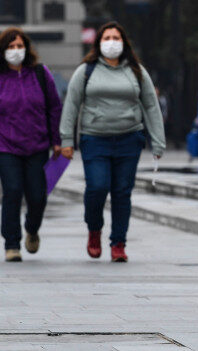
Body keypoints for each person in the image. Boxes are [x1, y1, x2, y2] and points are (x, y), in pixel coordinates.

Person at [59, 21, 165, 262]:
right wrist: (66, 139)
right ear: (98, 43)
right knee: (97, 187)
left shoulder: (136, 70)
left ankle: (118, 243)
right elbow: (72, 104)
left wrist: (158, 142)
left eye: (116, 38)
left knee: (122, 192)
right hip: (94, 139)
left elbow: (150, 105)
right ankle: (94, 229)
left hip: (129, 139)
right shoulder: (86, 70)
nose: (112, 42)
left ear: (124, 43)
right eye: (107, 38)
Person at [0, 27, 62, 262]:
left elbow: (54, 108)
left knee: (38, 196)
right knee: (13, 190)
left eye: (19, 46)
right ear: (2, 51)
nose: (16, 51)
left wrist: (57, 140)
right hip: (5, 147)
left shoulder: (41, 74)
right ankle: (11, 243)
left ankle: (32, 229)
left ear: (26, 49)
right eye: (11, 47)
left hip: (37, 146)